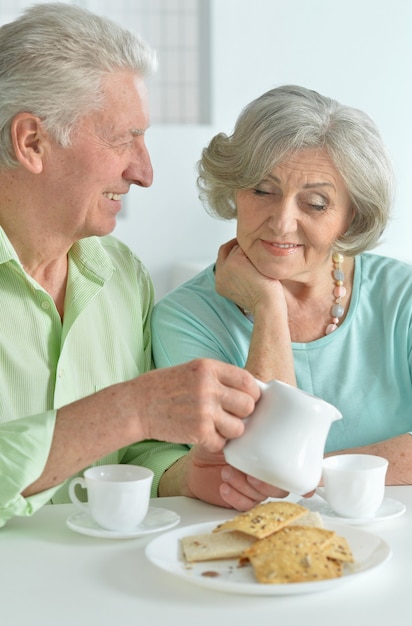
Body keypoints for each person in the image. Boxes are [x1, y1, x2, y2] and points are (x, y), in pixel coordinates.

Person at [0, 3, 262, 528]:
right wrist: (128, 409)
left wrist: (184, 474)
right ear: (32, 142)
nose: (144, 172)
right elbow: (127, 419)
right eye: (123, 138)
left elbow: (134, 452)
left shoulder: (122, 274)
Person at [152, 84, 412, 511]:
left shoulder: (406, 296)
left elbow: (280, 476)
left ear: (351, 218)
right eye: (261, 191)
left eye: (314, 203)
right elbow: (258, 467)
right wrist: (268, 307)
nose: (282, 222)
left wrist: (313, 474)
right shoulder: (184, 318)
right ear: (234, 191)